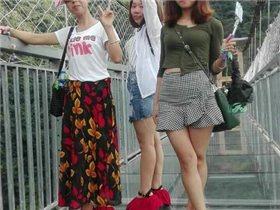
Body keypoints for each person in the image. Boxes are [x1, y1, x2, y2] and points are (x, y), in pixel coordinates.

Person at [1, 0, 122, 209]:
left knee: (102, 150)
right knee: (80, 154)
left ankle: (101, 203)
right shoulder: (68, 32)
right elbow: (36, 38)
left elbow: (117, 58)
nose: (74, 2)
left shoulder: (102, 27)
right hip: (76, 98)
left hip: (99, 96)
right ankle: (85, 204)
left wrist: (109, 27)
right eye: (68, 0)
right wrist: (10, 30)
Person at [152, 1, 236, 210]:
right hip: (170, 95)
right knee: (187, 158)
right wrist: (156, 101)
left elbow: (214, 67)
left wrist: (224, 55)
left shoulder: (212, 24)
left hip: (199, 92)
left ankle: (193, 207)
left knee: (198, 157)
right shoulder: (167, 28)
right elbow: (162, 67)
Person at [125, 0, 171, 210]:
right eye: (134, 5)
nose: (137, 10)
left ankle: (144, 196)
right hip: (143, 92)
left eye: (142, 5)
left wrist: (149, 5)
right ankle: (156, 188)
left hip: (145, 93)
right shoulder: (137, 36)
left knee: (147, 146)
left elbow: (152, 11)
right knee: (153, 142)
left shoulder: (153, 30)